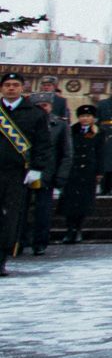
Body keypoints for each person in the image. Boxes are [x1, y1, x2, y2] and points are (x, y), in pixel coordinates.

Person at [0, 73, 54, 277]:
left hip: (17, 173)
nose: (11, 88)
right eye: (7, 84)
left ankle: (1, 258)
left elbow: (43, 144)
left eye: (15, 85)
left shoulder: (35, 113)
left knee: (11, 217)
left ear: (22, 88)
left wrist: (37, 168)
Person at [25, 109, 70, 255]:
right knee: (20, 210)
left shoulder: (59, 124)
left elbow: (66, 153)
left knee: (42, 211)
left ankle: (40, 242)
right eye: (37, 105)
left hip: (47, 174)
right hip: (23, 172)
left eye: (45, 104)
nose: (41, 107)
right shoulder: (24, 120)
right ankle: (20, 240)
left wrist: (61, 175)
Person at [59, 105, 102, 243]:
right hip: (73, 170)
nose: (85, 119)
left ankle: (78, 229)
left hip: (88, 171)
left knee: (83, 203)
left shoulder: (98, 132)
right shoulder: (71, 130)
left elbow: (101, 152)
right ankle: (69, 230)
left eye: (88, 116)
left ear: (93, 118)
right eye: (82, 116)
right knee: (70, 202)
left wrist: (99, 171)